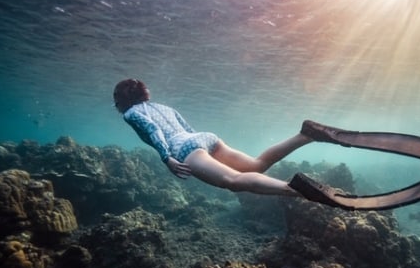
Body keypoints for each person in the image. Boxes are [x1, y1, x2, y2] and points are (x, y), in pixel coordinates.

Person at [113, 79, 315, 197]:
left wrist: (167, 159)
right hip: (203, 138)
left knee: (234, 181)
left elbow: (152, 128)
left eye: (116, 102)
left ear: (122, 100)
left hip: (183, 148)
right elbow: (187, 128)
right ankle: (305, 135)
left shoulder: (130, 113)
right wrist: (201, 148)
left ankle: (296, 190)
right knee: (256, 165)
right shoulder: (164, 107)